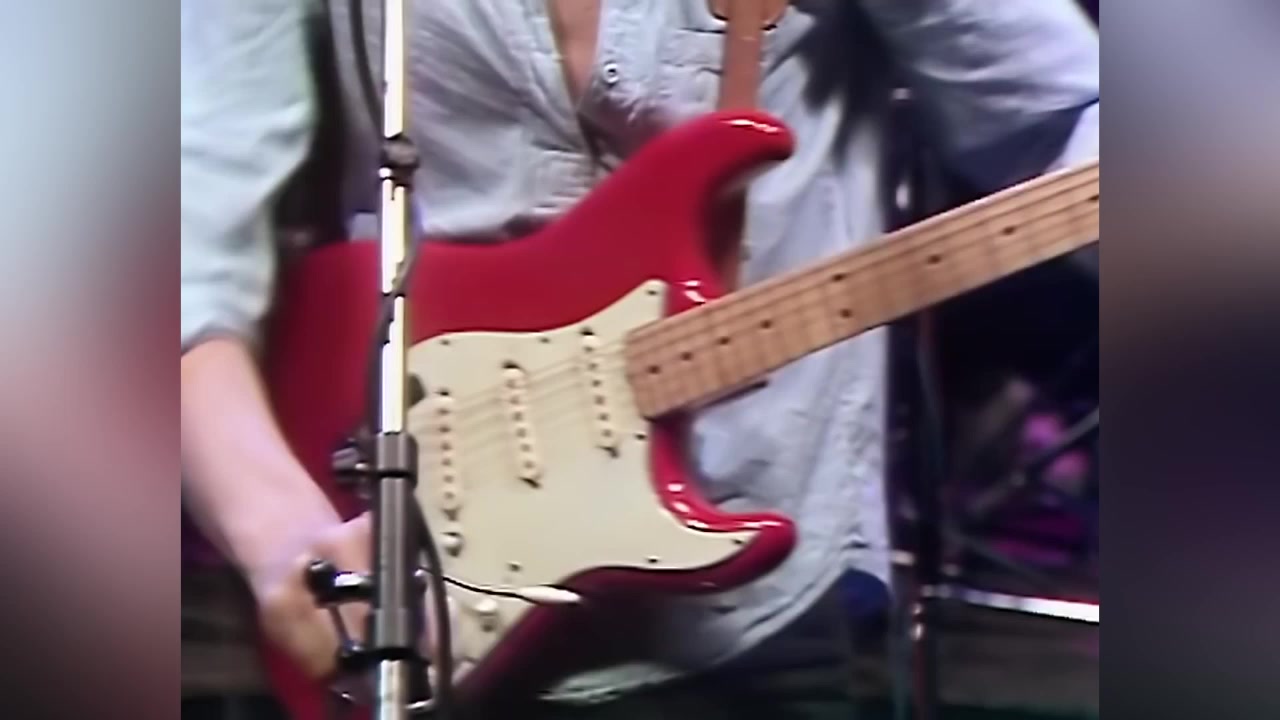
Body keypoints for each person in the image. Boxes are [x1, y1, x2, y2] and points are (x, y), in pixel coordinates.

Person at [181, 1, 1099, 718]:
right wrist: (285, 540)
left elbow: (1064, 115)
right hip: (400, 576)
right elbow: (186, 240)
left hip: (753, 612)